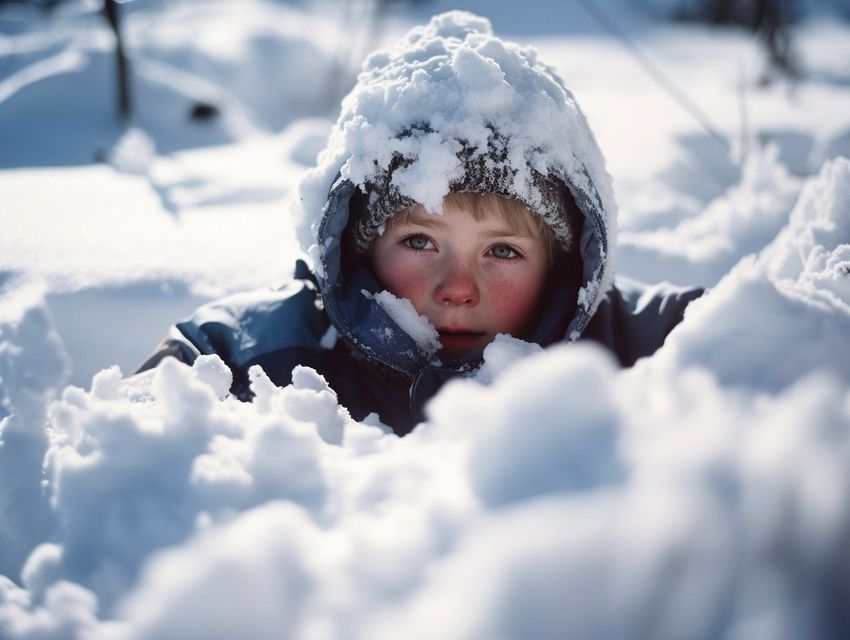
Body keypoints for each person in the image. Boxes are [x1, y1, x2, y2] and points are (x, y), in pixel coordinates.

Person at [137, 11, 703, 435]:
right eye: (419, 241)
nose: (458, 289)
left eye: (502, 251)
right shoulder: (275, 354)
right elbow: (154, 401)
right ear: (360, 249)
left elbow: (751, 336)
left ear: (560, 264)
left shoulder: (630, 342)